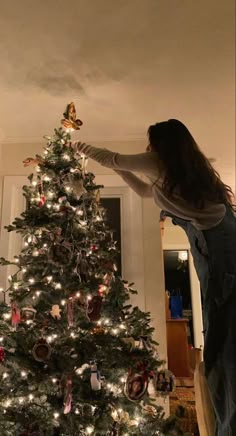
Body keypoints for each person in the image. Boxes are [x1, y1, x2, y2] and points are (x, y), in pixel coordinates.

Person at [69, 119, 236, 436]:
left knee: (221, 345)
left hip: (220, 250)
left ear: (162, 144)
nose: (147, 148)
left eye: (151, 142)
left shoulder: (159, 161)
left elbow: (112, 157)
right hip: (219, 243)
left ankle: (227, 426)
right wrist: (121, 169)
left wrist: (79, 146)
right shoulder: (176, 173)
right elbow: (144, 190)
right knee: (221, 340)